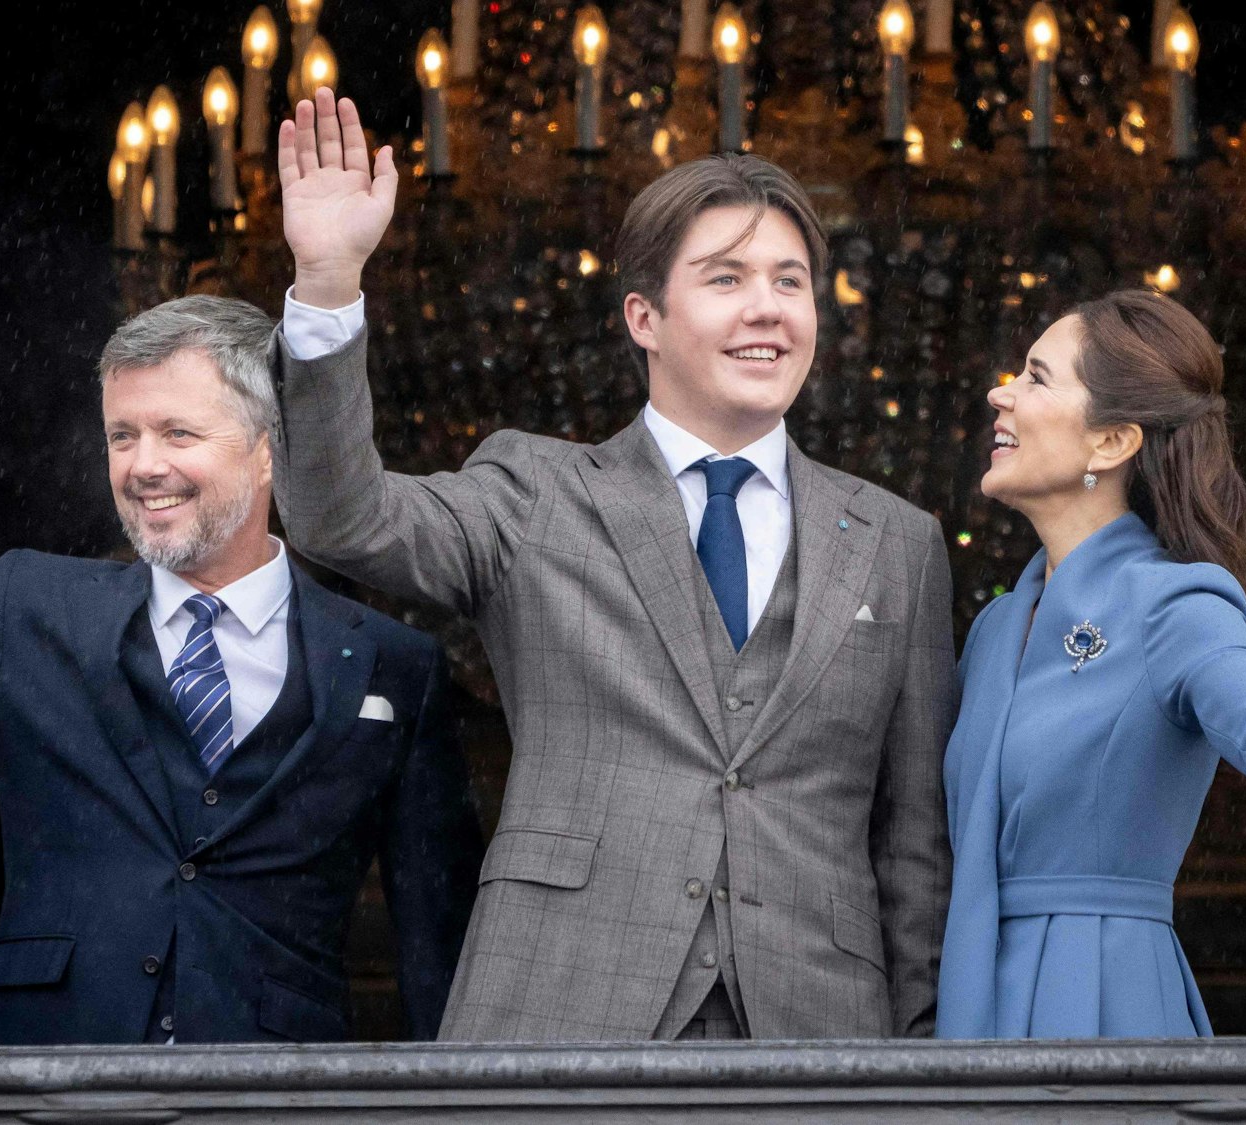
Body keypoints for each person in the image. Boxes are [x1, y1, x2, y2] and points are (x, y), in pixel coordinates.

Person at [0, 225, 483, 1045]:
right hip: (47, 1069)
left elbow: (439, 942)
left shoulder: (391, 665)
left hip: (272, 1088)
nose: (143, 465)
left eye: (178, 433)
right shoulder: (31, 610)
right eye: (122, 435)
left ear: (268, 451)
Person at [268, 91, 954, 1040]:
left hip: (820, 1029)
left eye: (790, 281)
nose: (767, 308)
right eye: (725, 279)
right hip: (564, 1005)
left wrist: (918, 1059)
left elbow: (915, 842)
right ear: (644, 315)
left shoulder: (898, 538)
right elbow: (342, 517)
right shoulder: (535, 492)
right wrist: (331, 279)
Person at [936, 289, 1246, 1038]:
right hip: (977, 990)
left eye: (1036, 377)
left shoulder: (1179, 604)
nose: (999, 394)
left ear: (1111, 443)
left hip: (1102, 998)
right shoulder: (998, 626)